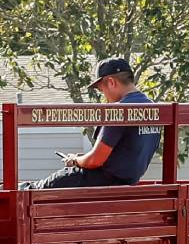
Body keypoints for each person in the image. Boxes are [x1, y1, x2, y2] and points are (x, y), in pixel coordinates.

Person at [28, 57, 160, 189]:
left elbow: (95, 160)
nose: (105, 96)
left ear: (111, 82)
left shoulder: (118, 111)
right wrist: (82, 158)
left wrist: (75, 160)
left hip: (99, 182)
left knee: (32, 190)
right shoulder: (155, 110)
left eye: (102, 90)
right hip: (126, 183)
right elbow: (125, 152)